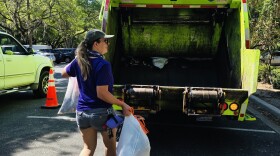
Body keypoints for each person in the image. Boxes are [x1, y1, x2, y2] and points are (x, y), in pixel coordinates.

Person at [61, 29, 131, 156]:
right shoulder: (103, 64)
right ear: (96, 43)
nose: (108, 44)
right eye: (106, 41)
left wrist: (78, 59)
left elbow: (64, 73)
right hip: (103, 115)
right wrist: (122, 104)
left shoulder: (79, 61)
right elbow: (102, 94)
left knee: (88, 148)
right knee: (110, 148)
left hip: (82, 114)